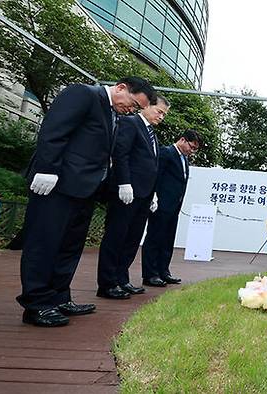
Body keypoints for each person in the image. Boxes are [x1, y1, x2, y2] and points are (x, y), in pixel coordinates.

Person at [17, 77, 157, 327]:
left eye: (137, 109)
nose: (132, 110)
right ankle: (36, 304)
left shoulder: (113, 113)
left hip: (85, 190)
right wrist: (48, 168)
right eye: (134, 104)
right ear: (121, 88)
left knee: (69, 247)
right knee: (45, 244)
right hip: (57, 185)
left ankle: (59, 297)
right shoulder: (83, 94)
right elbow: (54, 129)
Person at [96, 95, 170, 299]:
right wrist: (123, 182)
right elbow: (121, 154)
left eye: (164, 114)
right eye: (159, 111)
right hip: (126, 192)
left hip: (145, 195)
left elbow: (152, 166)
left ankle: (122, 278)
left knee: (132, 238)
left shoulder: (152, 133)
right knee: (116, 236)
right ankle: (107, 283)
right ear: (147, 106)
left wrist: (153, 193)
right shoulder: (130, 123)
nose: (161, 117)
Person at [141, 130, 201, 287]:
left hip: (174, 206)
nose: (192, 151)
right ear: (182, 140)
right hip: (161, 205)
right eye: (192, 147)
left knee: (167, 239)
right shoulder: (166, 153)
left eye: (195, 149)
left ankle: (163, 271)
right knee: (154, 238)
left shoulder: (184, 159)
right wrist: (153, 196)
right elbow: (156, 176)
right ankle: (150, 274)